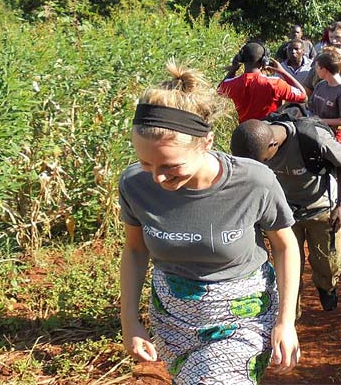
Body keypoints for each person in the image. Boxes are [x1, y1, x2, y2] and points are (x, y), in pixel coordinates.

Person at [120, 61, 301, 384]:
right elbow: (135, 251)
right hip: (173, 318)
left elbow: (285, 246)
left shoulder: (253, 181)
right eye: (146, 163)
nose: (158, 177)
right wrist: (129, 321)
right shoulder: (134, 184)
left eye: (171, 166)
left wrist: (285, 322)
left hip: (242, 313)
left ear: (206, 142)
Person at [230, 116, 341, 315]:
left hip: (320, 209)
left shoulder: (313, 139)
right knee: (288, 268)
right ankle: (290, 316)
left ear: (273, 145)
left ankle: (326, 287)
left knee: (329, 263)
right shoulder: (254, 144)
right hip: (284, 216)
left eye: (263, 161)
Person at [219, 42, 307, 123]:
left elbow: (219, 90)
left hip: (244, 127)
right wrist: (283, 72)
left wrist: (233, 69)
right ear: (264, 61)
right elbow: (303, 97)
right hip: (270, 131)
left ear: (241, 59)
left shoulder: (231, 84)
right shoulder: (275, 83)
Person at [309, 51, 341, 150]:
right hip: (319, 132)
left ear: (325, 69)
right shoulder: (321, 85)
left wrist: (321, 121)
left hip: (337, 136)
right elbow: (311, 106)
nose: (316, 70)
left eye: (317, 67)